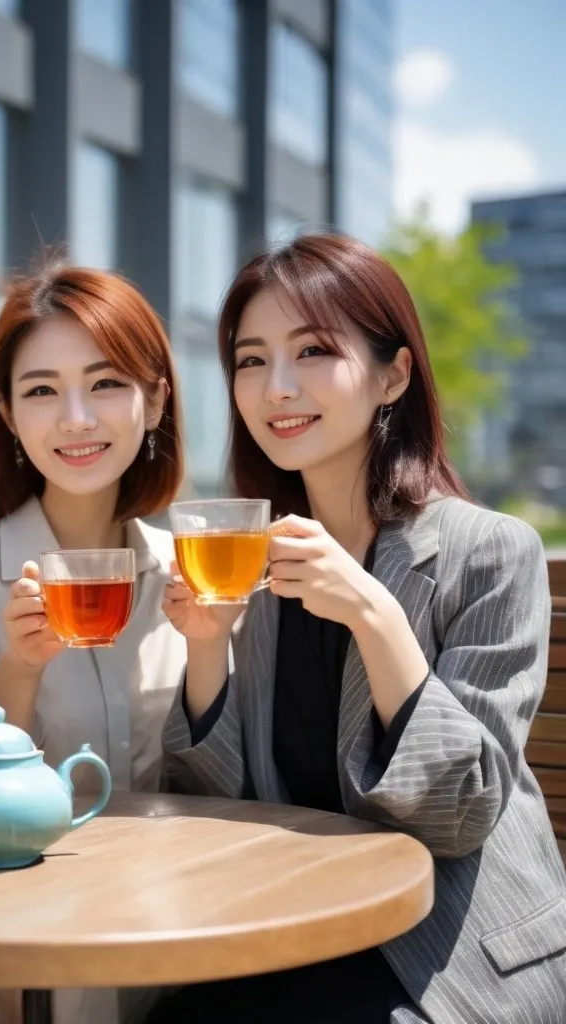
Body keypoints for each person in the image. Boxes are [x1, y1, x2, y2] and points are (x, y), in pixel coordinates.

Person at [151, 232, 566, 1024]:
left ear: (393, 375)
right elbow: (214, 813)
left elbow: (460, 810)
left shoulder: (491, 553)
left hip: (452, 957)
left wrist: (374, 612)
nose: (276, 387)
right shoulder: (259, 557)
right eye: (249, 359)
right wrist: (207, 646)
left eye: (312, 351)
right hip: (302, 932)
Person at [0, 263, 187, 1024]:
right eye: (40, 390)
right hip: (39, 954)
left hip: (192, 934)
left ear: (156, 397)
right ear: (6, 413)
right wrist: (19, 671)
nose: (75, 419)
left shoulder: (191, 574)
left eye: (105, 384)